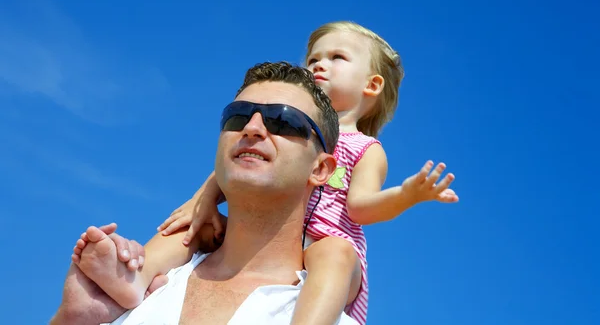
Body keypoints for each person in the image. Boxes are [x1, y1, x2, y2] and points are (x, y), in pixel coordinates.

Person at [73, 22, 459, 324]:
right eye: (313, 58)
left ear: (372, 84)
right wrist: (201, 201)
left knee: (335, 254)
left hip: (329, 245)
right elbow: (233, 167)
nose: (319, 64)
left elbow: (359, 208)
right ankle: (133, 278)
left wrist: (407, 195)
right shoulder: (272, 129)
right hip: (275, 240)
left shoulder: (366, 149)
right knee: (191, 228)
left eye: (337, 57)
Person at [53, 61, 360, 324]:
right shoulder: (138, 296)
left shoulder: (323, 312)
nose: (252, 128)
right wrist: (70, 319)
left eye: (282, 120)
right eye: (238, 116)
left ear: (321, 170)